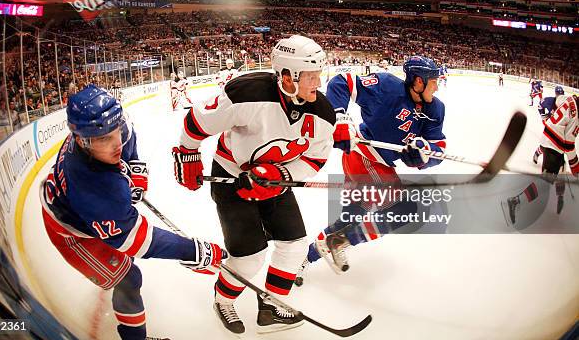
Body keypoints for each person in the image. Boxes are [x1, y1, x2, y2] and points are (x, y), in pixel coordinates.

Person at [172, 35, 335, 334]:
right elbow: (197, 121)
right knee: (249, 258)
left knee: (295, 245)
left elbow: (315, 159)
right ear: (287, 76)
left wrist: (282, 177)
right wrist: (187, 152)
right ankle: (223, 300)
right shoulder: (246, 93)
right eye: (311, 76)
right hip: (233, 176)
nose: (318, 84)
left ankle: (272, 306)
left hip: (275, 182)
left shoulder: (323, 113)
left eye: (318, 75)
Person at [41, 85, 226, 340]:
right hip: (71, 231)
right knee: (128, 278)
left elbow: (128, 144)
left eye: (115, 131)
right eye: (104, 138)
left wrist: (137, 178)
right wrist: (191, 250)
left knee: (127, 265)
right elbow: (137, 241)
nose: (116, 142)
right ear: (82, 141)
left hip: (87, 206)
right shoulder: (95, 186)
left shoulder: (109, 126)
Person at [296, 55, 446, 284]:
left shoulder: (436, 109)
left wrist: (423, 153)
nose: (437, 86)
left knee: (350, 218)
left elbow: (439, 148)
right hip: (364, 155)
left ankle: (303, 260)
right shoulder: (386, 86)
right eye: (433, 81)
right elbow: (341, 82)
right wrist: (340, 118)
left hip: (379, 163)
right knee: (405, 208)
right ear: (418, 81)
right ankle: (340, 241)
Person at [507, 93, 579, 220]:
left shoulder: (570, 98)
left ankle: (560, 195)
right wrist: (576, 167)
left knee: (560, 169)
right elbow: (568, 144)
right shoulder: (576, 117)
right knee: (543, 184)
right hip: (554, 146)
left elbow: (557, 100)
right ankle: (516, 201)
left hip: (548, 138)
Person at [533, 86, 565, 164]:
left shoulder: (565, 103)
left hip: (560, 127)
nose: (560, 96)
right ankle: (537, 153)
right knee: (548, 142)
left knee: (559, 144)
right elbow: (540, 104)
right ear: (555, 94)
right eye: (558, 94)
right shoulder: (550, 101)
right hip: (550, 124)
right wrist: (543, 116)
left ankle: (560, 161)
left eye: (561, 94)